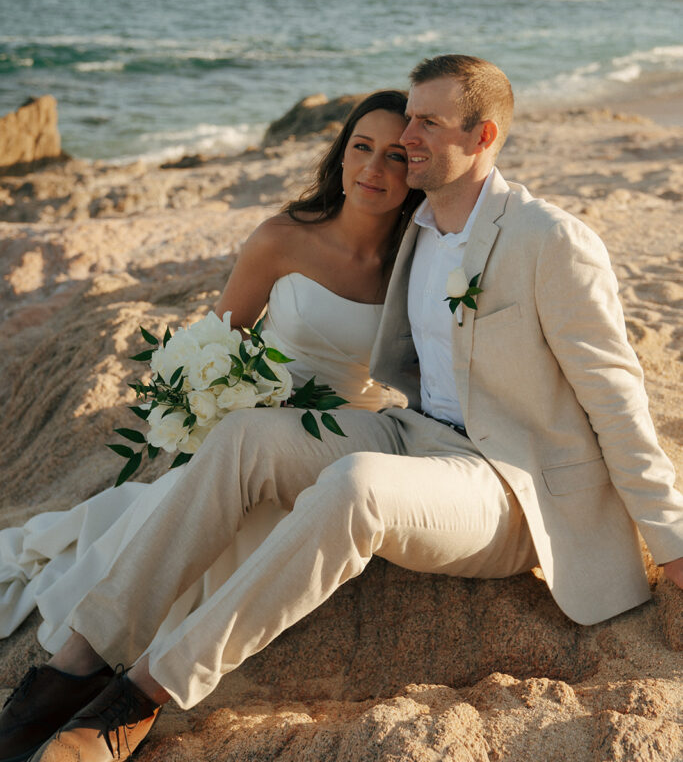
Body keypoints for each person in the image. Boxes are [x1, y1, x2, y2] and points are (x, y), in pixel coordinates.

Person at [3, 56, 682, 762]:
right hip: (412, 433)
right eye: (406, 116)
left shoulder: (550, 240)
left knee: (355, 485)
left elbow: (616, 396)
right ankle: (74, 665)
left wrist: (671, 542)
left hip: (510, 482)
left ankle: (139, 697)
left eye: (426, 122)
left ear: (481, 137)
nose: (408, 133)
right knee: (244, 438)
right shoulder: (412, 229)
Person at [0, 89, 423, 762]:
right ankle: (80, 675)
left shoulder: (418, 266)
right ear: (340, 155)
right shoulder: (284, 237)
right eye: (360, 148)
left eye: (396, 156)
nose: (373, 169)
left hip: (344, 444)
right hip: (253, 430)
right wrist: (198, 407)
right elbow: (219, 340)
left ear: (420, 168)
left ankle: (127, 695)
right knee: (184, 511)